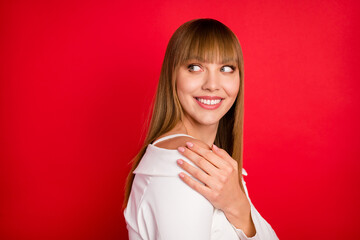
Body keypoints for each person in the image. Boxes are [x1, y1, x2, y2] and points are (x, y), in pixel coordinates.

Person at [123, 18, 279, 240]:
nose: (212, 84)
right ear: (172, 75)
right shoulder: (186, 163)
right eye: (195, 67)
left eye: (226, 68)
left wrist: (239, 207)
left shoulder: (213, 164)